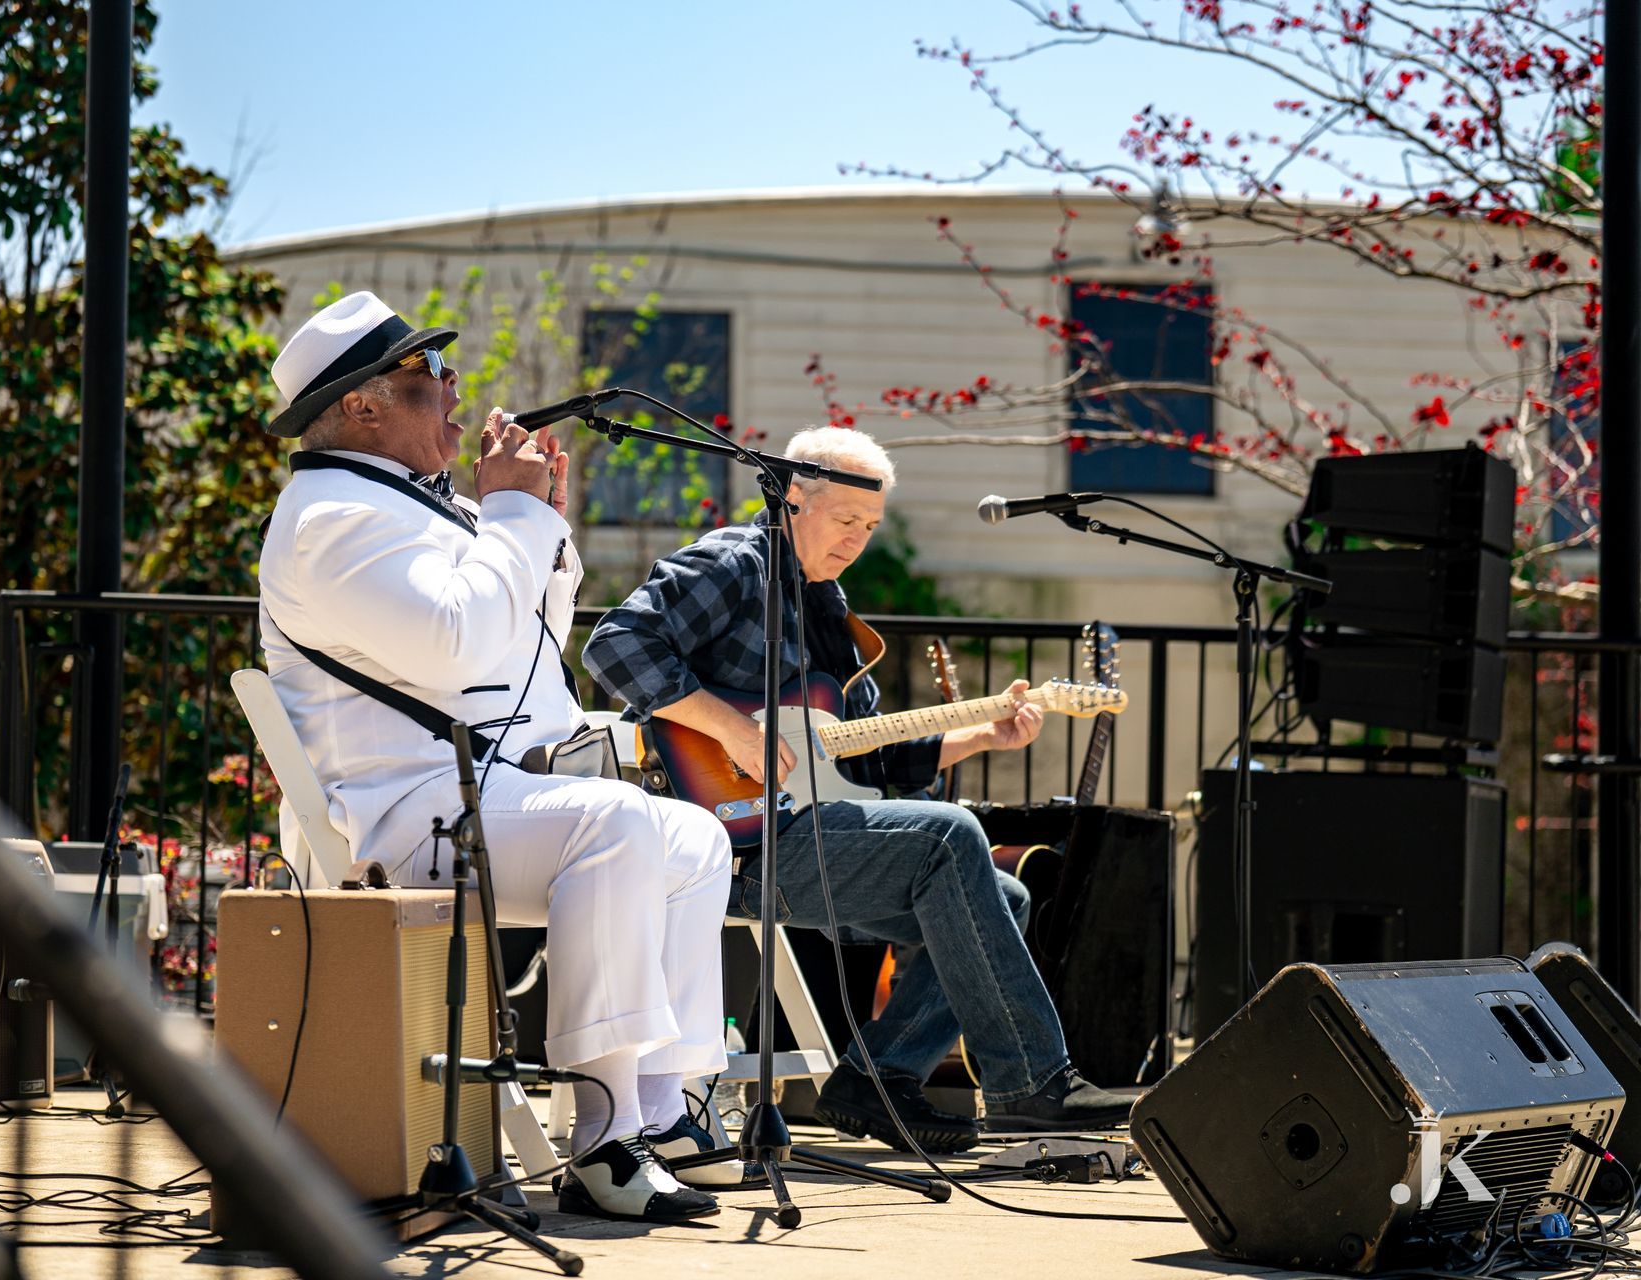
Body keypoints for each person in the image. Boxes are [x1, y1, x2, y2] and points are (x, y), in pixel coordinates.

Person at [256, 291, 738, 1222]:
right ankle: (602, 1139)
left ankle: (660, 1108)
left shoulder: (408, 508)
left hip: (479, 798)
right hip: (397, 821)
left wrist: (533, 526)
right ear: (361, 406)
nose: (453, 389)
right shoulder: (330, 519)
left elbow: (525, 659)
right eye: (429, 376)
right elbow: (450, 644)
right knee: (619, 823)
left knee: (694, 841)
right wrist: (514, 515)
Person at [583, 425, 1133, 1152]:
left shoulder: (830, 614)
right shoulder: (733, 565)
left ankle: (878, 1076)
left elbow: (869, 754)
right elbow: (614, 644)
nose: (857, 539)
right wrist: (732, 731)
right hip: (714, 841)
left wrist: (980, 734)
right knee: (951, 834)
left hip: (799, 833)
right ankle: (1031, 1083)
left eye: (869, 527)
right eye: (845, 521)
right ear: (792, 499)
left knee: (1008, 895)